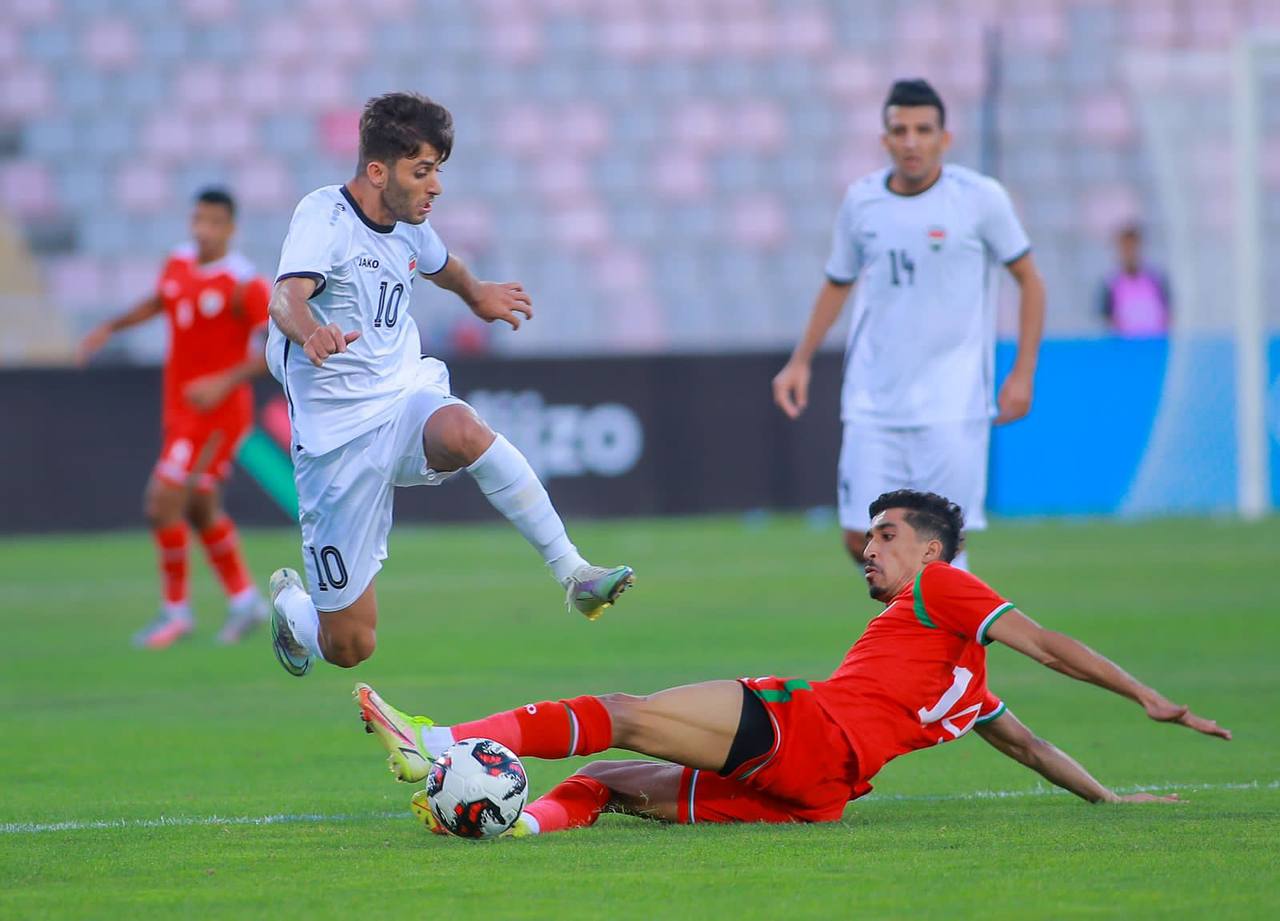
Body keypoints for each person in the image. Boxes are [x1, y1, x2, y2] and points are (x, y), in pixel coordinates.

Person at [356, 489, 1230, 837]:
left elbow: (1051, 645)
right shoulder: (965, 691)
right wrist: (1112, 797)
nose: (870, 549)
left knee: (622, 707)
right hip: (817, 797)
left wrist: (1146, 696)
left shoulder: (945, 588)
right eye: (869, 537)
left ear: (932, 548)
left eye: (887, 535)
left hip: (808, 730)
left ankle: (437, 740)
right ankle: (508, 823)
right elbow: (1036, 750)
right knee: (609, 778)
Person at [265, 92, 633, 677]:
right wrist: (310, 332)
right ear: (378, 171)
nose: (434, 186)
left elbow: (446, 266)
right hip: (336, 446)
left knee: (464, 430)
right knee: (350, 646)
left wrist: (478, 294)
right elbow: (286, 296)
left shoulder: (410, 223)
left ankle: (574, 571)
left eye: (438, 170)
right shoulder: (324, 216)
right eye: (422, 171)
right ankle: (292, 610)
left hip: (401, 398)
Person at [771, 79, 1047, 571]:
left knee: (940, 548)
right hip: (873, 402)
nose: (912, 140)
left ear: (946, 138)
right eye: (900, 130)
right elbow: (838, 281)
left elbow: (1029, 281)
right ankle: (921, 642)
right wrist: (800, 362)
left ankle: (949, 650)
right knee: (863, 540)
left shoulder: (980, 200)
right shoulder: (862, 202)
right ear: (885, 140)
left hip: (953, 404)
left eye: (924, 129)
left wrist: (1023, 373)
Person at [78, 188, 271, 648]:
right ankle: (245, 601)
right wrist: (111, 327)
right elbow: (161, 301)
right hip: (180, 408)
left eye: (212, 223)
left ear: (230, 229)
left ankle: (175, 612)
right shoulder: (179, 263)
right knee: (200, 507)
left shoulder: (245, 284)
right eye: (197, 220)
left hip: (218, 413)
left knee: (161, 502)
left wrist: (223, 381)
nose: (201, 231)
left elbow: (274, 351)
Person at [1100, 224, 1171, 337]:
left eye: (1133, 247)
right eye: (1125, 248)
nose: (1130, 253)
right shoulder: (1110, 284)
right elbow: (1108, 320)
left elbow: (1168, 315)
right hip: (1125, 348)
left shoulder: (1156, 280)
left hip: (1155, 345)